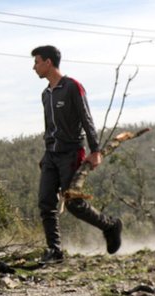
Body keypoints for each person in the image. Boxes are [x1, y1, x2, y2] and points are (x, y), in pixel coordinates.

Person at [31, 45, 123, 264]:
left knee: (73, 203)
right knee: (46, 202)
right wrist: (46, 154)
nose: (34, 67)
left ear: (48, 63)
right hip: (52, 155)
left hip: (72, 152)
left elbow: (86, 118)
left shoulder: (73, 87)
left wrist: (96, 150)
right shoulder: (46, 94)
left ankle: (110, 225)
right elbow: (49, 127)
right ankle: (55, 251)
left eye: (36, 62)